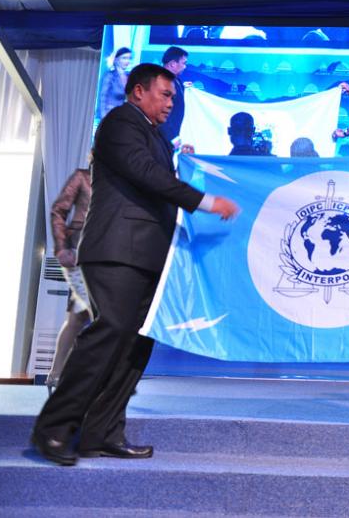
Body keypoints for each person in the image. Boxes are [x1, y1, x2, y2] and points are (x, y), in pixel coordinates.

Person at [30, 63, 239, 466]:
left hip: (146, 255)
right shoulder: (120, 122)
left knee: (134, 348)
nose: (171, 103)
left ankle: (102, 434)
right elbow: (145, 176)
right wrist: (206, 202)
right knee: (108, 337)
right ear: (138, 91)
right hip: (117, 252)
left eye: (174, 97)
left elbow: (156, 176)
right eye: (165, 94)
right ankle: (53, 430)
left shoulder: (156, 136)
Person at [45, 163, 93, 394]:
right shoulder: (82, 177)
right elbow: (59, 210)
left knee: (83, 315)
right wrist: (61, 246)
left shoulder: (119, 179)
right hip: (76, 252)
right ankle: (56, 374)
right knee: (81, 313)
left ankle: (67, 376)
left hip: (106, 252)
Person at [158, 46, 189, 145]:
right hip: (162, 139)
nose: (185, 66)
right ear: (172, 64)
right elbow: (160, 113)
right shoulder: (162, 82)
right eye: (183, 63)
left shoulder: (176, 80)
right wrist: (172, 137)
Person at [98, 47, 132, 119]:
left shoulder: (129, 76)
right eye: (124, 58)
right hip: (110, 114)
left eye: (129, 58)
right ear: (116, 59)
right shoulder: (110, 76)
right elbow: (102, 97)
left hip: (123, 115)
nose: (127, 61)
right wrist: (103, 118)